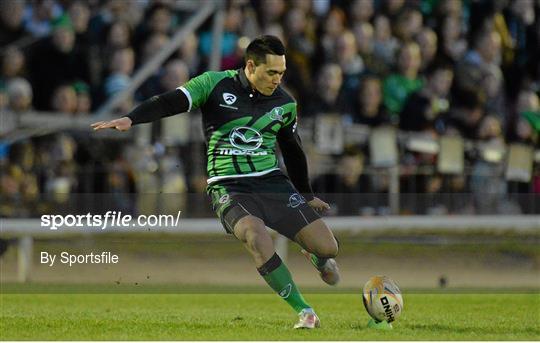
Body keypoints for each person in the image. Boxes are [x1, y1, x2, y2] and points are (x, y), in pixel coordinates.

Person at [91, 35, 340, 329]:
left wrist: (307, 194)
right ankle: (305, 310)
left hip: (271, 182)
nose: (278, 79)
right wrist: (132, 119)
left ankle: (318, 258)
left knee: (328, 248)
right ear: (250, 66)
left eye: (282, 73)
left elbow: (293, 150)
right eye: (272, 72)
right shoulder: (213, 84)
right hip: (228, 186)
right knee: (254, 235)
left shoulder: (285, 103)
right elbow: (171, 101)